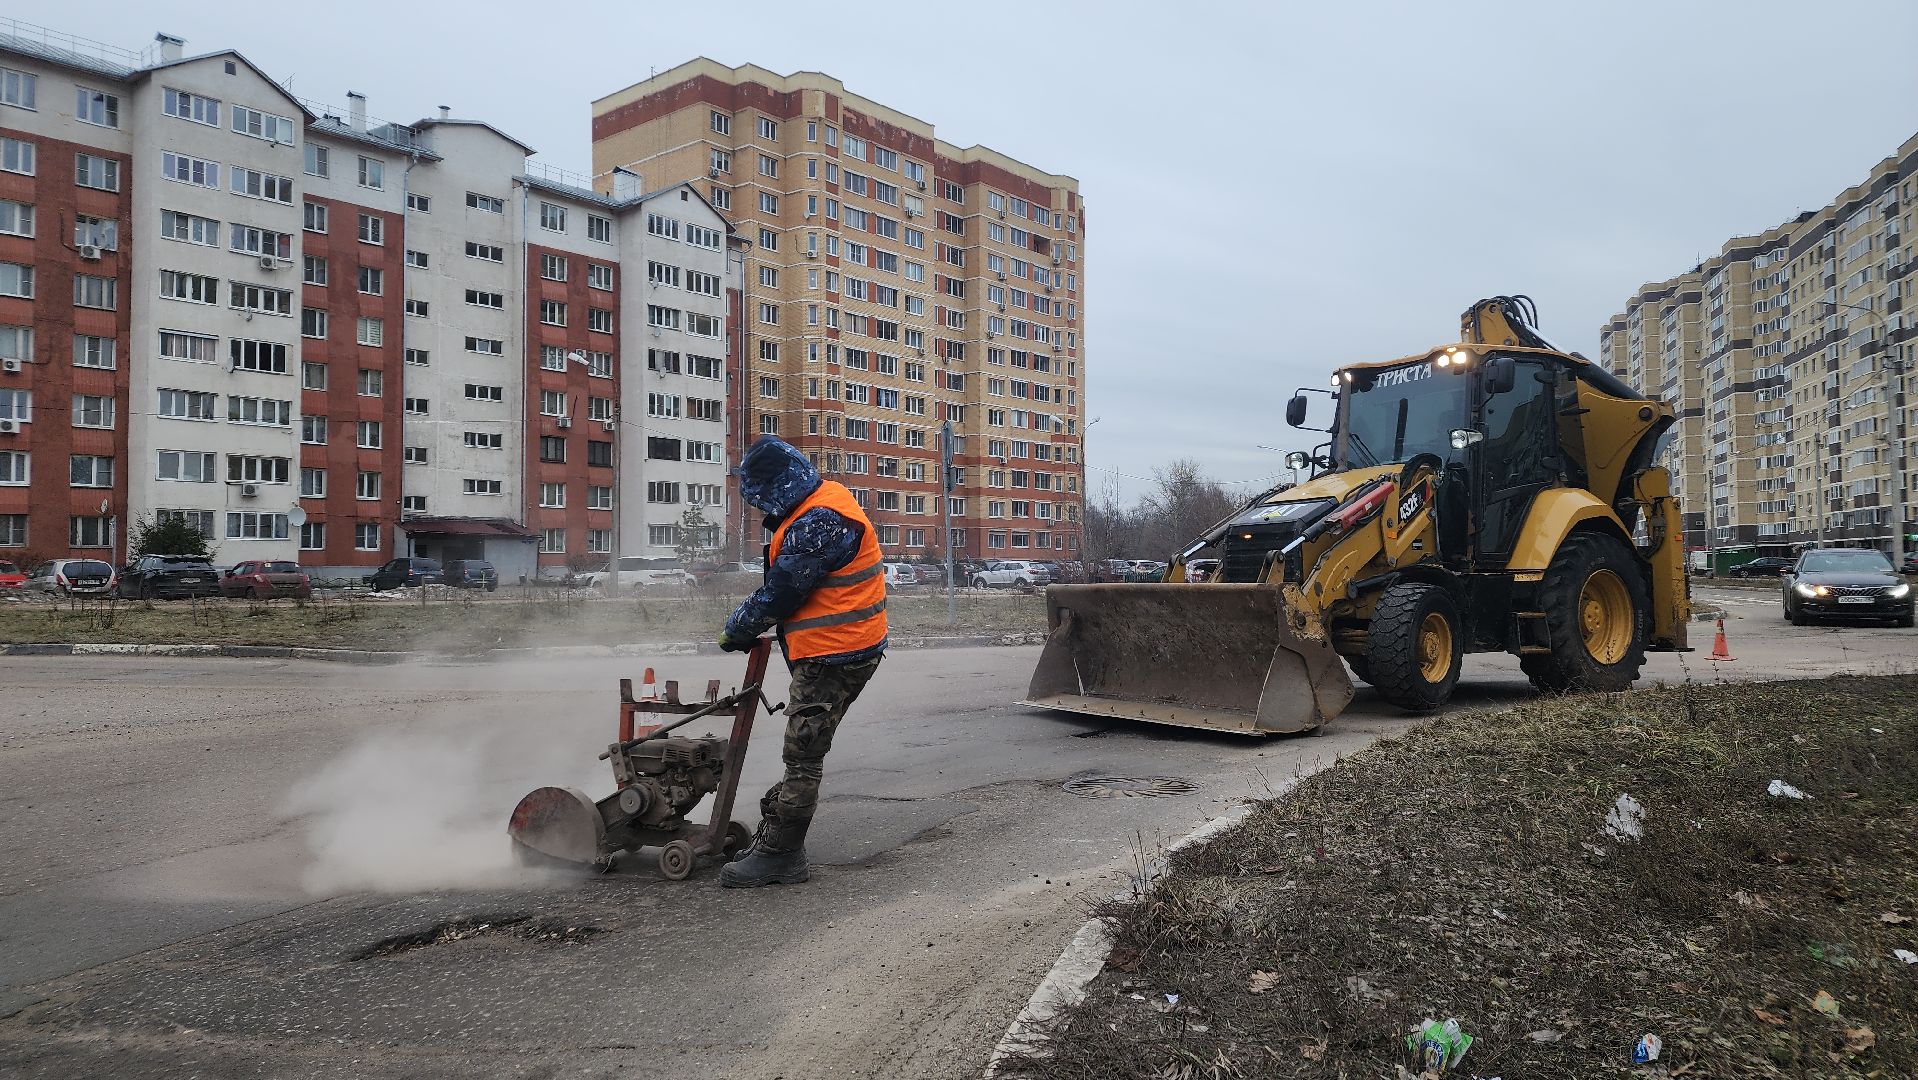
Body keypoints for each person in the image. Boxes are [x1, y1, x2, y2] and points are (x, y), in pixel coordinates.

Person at [717, 436, 887, 887]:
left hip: (834, 654)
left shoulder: (818, 520)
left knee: (803, 755)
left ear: (779, 486)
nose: (758, 507)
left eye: (759, 497)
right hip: (851, 646)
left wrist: (739, 628)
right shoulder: (826, 499)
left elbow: (784, 591)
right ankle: (778, 823)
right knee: (806, 748)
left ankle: (782, 855)